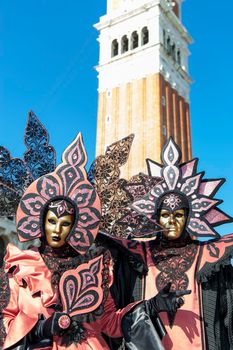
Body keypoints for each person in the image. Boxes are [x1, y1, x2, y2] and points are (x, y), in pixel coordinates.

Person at [0, 130, 188, 350]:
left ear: (75, 226)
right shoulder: (21, 267)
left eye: (65, 223)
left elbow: (111, 322)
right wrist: (40, 329)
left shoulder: (91, 267)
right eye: (52, 221)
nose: (57, 229)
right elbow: (5, 321)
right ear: (41, 221)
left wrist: (152, 306)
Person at [98, 137, 233, 350]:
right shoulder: (136, 256)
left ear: (189, 217)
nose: (171, 221)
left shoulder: (210, 257)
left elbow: (227, 316)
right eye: (165, 214)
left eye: (178, 214)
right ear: (155, 218)